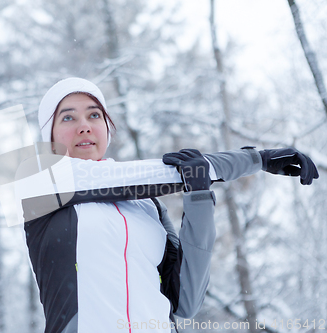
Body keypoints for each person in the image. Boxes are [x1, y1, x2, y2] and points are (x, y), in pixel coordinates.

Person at [23, 77, 318, 333]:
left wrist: (199, 195)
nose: (84, 127)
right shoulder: (42, 188)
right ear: (48, 136)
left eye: (94, 115)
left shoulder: (146, 204)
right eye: (68, 118)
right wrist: (256, 160)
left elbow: (186, 301)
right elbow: (157, 174)